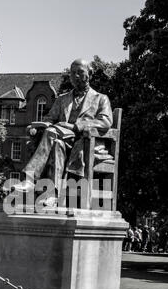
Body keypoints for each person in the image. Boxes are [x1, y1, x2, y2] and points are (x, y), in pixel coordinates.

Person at [12, 58, 113, 207]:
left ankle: (30, 180)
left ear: (89, 74)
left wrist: (76, 126)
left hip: (85, 144)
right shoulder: (62, 99)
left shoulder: (100, 99)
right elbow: (50, 118)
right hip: (62, 141)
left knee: (52, 133)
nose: (76, 76)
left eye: (80, 72)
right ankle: (53, 195)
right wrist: (38, 125)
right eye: (72, 73)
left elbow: (105, 122)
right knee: (56, 142)